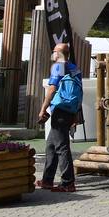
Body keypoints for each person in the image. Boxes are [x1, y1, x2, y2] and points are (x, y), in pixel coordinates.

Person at [37, 43, 83, 193]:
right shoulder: (74, 68)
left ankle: (68, 183)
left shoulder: (58, 67)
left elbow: (51, 89)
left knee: (62, 147)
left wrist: (43, 108)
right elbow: (78, 93)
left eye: (54, 51)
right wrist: (76, 114)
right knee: (51, 145)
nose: (53, 53)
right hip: (69, 111)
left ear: (59, 53)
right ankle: (47, 180)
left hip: (60, 111)